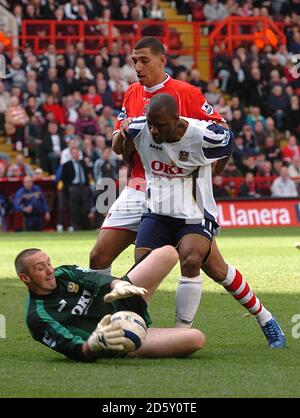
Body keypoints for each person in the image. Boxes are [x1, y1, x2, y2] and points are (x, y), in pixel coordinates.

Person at [89, 37, 285, 348]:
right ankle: (98, 322)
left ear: (162, 61)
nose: (137, 67)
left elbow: (221, 134)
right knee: (100, 255)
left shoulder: (187, 94)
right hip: (142, 186)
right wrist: (124, 135)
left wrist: (207, 178)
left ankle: (264, 318)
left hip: (185, 193)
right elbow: (118, 143)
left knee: (210, 265)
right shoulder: (132, 93)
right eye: (134, 61)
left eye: (144, 61)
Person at [15, 246, 205, 362]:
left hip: (122, 300)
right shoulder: (37, 317)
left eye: (48, 263)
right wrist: (94, 343)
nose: (49, 271)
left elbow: (94, 278)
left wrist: (119, 284)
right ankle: (136, 341)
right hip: (119, 337)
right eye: (40, 268)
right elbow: (74, 350)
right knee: (196, 339)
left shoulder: (62, 274)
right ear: (25, 278)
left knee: (168, 253)